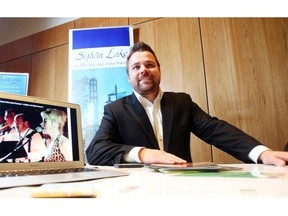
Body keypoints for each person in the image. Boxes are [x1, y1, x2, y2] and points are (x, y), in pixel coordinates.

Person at [85, 41, 288, 167]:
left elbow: (216, 129)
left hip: (182, 189)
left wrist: (262, 153)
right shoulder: (115, 109)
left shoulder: (182, 102)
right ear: (129, 77)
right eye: (135, 67)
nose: (143, 70)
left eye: (149, 64)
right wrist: (143, 153)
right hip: (137, 192)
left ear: (159, 70)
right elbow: (95, 151)